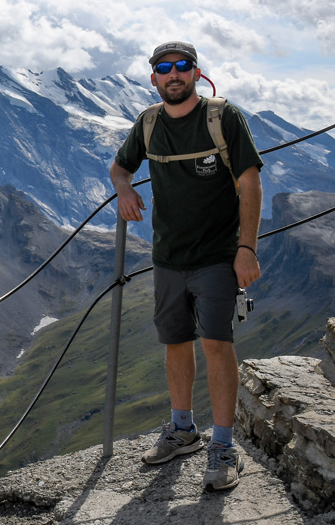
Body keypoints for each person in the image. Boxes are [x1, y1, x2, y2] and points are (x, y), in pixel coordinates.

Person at [110, 40, 263, 491]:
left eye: (182, 66)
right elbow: (120, 168)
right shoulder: (149, 122)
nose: (173, 74)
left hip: (217, 255)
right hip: (168, 257)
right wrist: (124, 188)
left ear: (196, 73)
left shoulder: (223, 117)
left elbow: (250, 182)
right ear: (153, 78)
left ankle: (224, 447)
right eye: (164, 68)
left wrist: (247, 249)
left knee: (216, 342)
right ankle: (183, 431)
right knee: (175, 342)